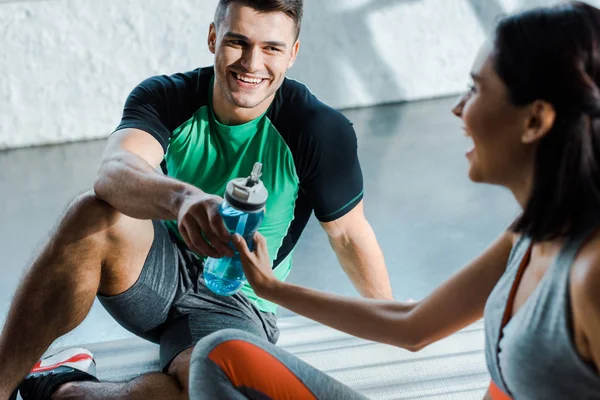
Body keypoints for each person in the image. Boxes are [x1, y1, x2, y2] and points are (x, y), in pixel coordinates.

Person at [187, 2, 600, 399]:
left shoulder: (590, 274)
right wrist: (272, 289)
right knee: (222, 355)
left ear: (534, 120)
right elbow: (412, 325)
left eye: (476, 89)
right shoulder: (530, 234)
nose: (458, 108)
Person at [0, 0, 395, 398]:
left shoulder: (320, 130)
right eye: (237, 41)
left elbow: (347, 236)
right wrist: (183, 200)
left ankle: (59, 385)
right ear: (213, 38)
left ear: (292, 54)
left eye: (271, 48)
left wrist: (391, 320)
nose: (251, 63)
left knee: (203, 390)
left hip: (237, 300)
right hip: (157, 269)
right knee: (92, 212)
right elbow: (114, 171)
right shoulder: (166, 96)